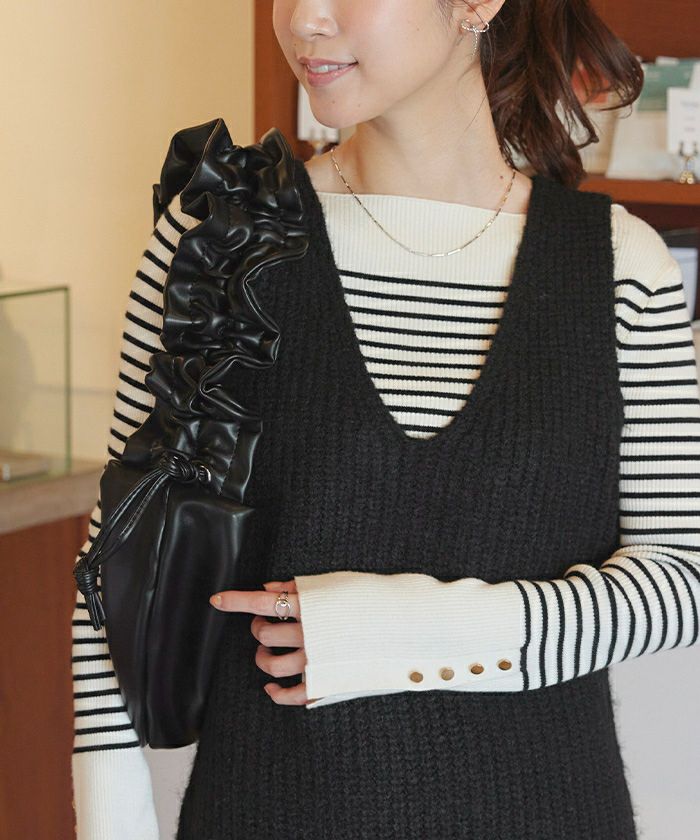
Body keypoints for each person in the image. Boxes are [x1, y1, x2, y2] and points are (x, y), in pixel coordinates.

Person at [71, 1, 700, 838]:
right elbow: (113, 568)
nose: (304, 20)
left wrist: (407, 631)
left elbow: (680, 579)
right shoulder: (219, 243)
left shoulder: (619, 265)